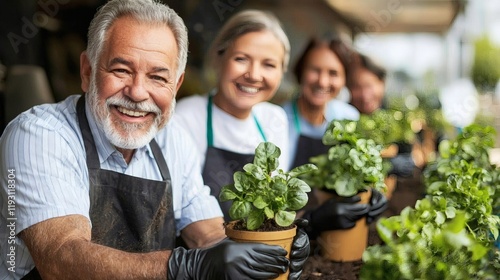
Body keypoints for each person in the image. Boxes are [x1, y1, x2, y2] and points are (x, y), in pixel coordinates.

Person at [0, 1, 306, 279]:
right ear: (87, 70)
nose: (137, 93)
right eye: (121, 70)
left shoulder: (173, 139)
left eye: (158, 77)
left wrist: (269, 253)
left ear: (177, 84)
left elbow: (208, 234)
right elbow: (61, 259)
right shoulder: (39, 134)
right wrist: (184, 266)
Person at [173, 10, 290, 222]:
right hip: (202, 251)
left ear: (282, 72)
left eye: (269, 64)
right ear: (219, 58)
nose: (254, 75)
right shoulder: (186, 117)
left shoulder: (275, 119)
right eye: (241, 59)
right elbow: (182, 212)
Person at [281, 37, 387, 239]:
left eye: (333, 73)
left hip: (340, 235)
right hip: (291, 236)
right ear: (300, 71)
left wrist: (372, 193)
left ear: (344, 79)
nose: (323, 81)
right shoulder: (279, 121)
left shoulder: (348, 117)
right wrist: (311, 220)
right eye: (315, 70)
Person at [346, 53, 425, 177]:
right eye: (356, 87)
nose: (364, 96)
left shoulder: (397, 116)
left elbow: (414, 159)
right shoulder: (345, 120)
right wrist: (387, 165)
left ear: (382, 83)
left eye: (369, 86)